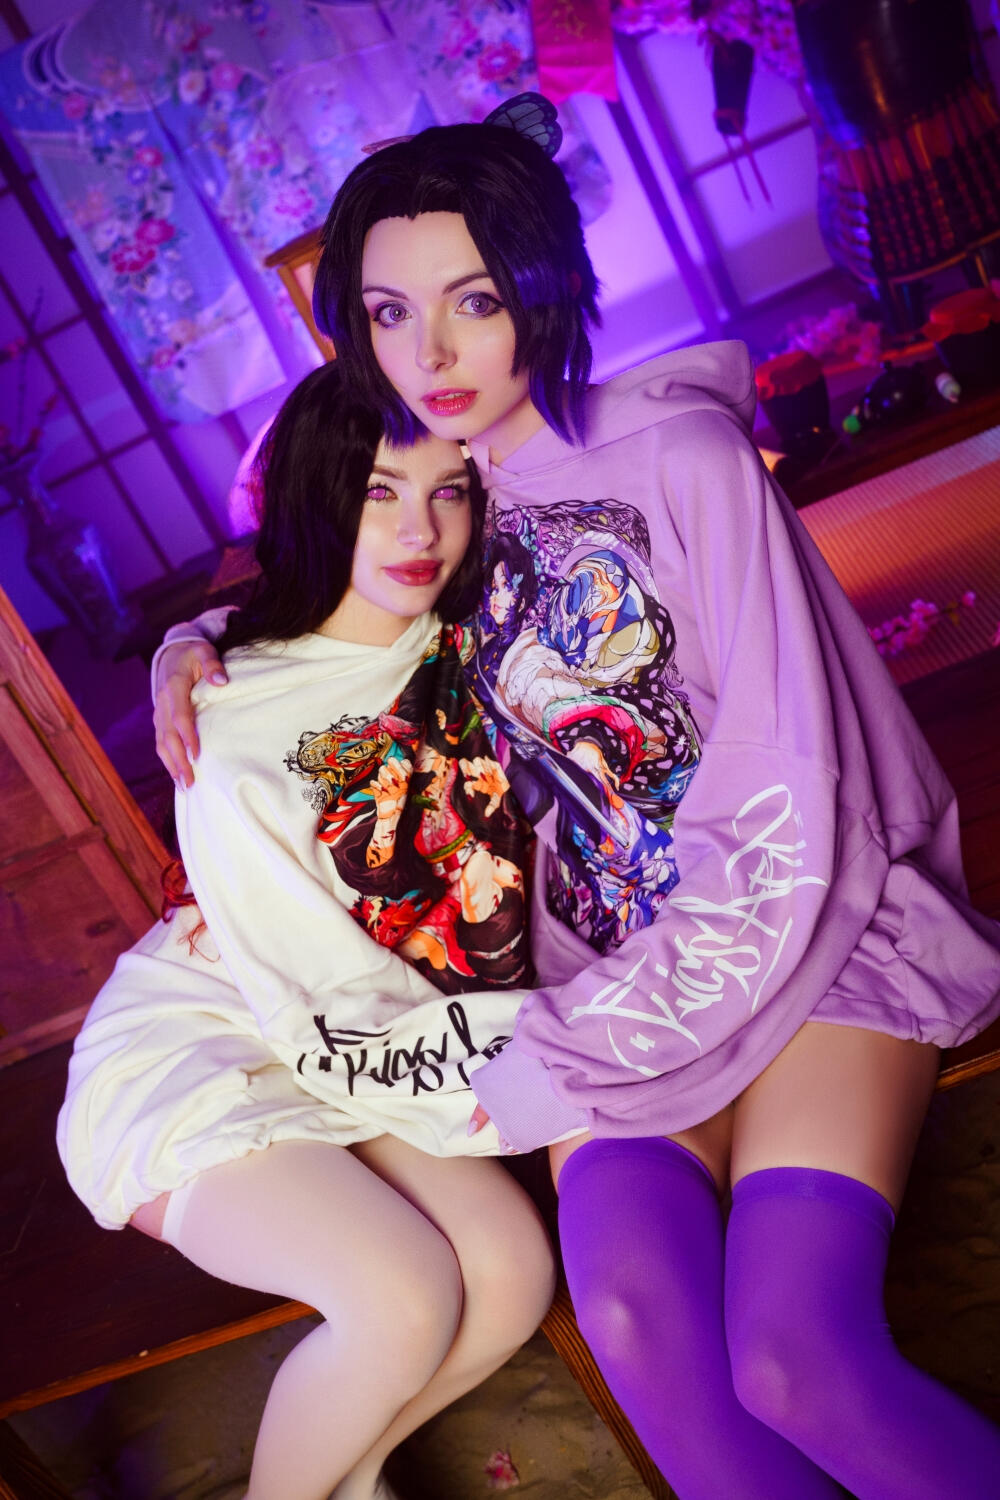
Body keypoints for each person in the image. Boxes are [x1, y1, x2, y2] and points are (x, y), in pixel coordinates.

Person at [153, 106, 1000, 1499]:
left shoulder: (685, 464)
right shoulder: (441, 502)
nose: (430, 356)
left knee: (794, 1359)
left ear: (543, 290)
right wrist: (196, 647)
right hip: (602, 974)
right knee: (629, 1317)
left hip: (810, 933)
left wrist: (558, 1046)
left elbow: (787, 794)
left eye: (474, 302)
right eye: (388, 314)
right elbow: (327, 604)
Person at [59, 361, 556, 1500]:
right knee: (402, 1293)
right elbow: (313, 982)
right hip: (219, 1034)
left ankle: (343, 1477)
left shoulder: (470, 639)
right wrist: (517, 1060)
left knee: (512, 1273)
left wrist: (187, 632)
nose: (419, 530)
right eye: (378, 491)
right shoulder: (232, 718)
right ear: (320, 492)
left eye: (448, 489)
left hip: (366, 1015)